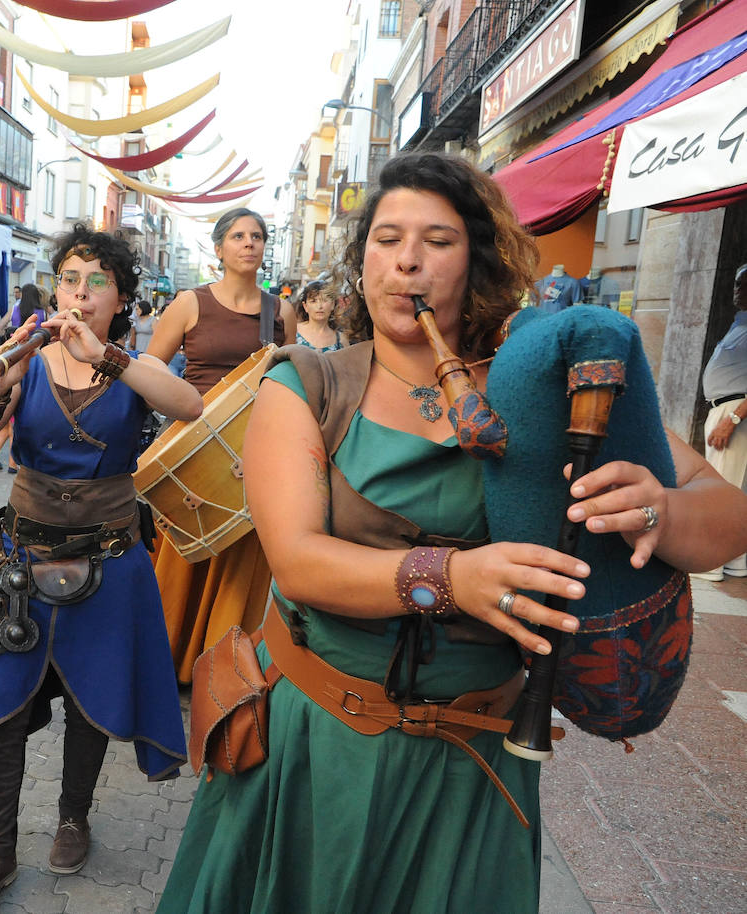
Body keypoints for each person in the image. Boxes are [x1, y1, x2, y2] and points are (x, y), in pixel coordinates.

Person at [157, 152, 747, 913]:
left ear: (477, 260)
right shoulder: (307, 382)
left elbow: (728, 518)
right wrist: (455, 578)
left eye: (437, 241)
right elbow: (299, 563)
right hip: (321, 747)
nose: (407, 260)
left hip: (477, 762)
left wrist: (656, 509)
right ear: (360, 260)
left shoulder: (538, 381)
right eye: (386, 239)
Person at [0, 223, 201, 908]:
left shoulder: (133, 366)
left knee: (92, 700)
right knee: (0, 706)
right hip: (23, 558)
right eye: (69, 279)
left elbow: (190, 404)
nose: (80, 293)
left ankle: (73, 816)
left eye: (97, 282)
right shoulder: (29, 355)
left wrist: (107, 357)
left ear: (121, 299)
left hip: (111, 558)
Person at [144, 207, 295, 684]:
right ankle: (160, 662)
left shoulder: (281, 312)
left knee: (238, 566)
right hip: (191, 452)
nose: (249, 243)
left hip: (253, 454)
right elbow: (149, 367)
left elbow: (290, 381)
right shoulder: (190, 302)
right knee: (178, 562)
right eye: (237, 236)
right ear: (219, 248)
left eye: (257, 236)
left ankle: (219, 666)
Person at [693, 262, 747, 582]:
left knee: (721, 489)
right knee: (733, 489)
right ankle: (734, 561)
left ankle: (710, 563)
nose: (737, 290)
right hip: (723, 410)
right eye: (737, 284)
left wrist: (733, 418)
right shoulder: (740, 323)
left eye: (744, 284)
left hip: (734, 413)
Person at [0, 284, 47, 472]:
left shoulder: (15, 309)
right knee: (20, 409)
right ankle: (12, 462)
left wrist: (8, 336)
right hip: (33, 359)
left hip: (11, 356)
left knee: (10, 404)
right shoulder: (41, 312)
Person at [294, 278, 345, 352]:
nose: (319, 306)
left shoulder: (341, 339)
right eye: (313, 301)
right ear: (305, 306)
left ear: (332, 304)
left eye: (324, 300)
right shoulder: (293, 331)